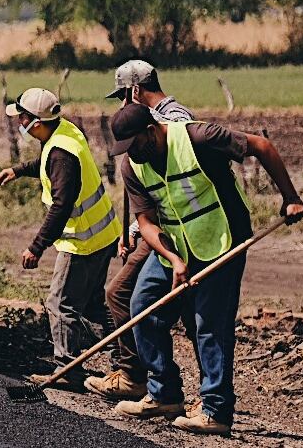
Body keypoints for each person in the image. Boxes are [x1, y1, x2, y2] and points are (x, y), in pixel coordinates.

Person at [108, 90, 303, 435]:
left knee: (209, 322)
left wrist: (290, 197)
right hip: (174, 246)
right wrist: (172, 258)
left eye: (135, 144)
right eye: (126, 149)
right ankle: (164, 393)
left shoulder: (197, 137)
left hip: (221, 238)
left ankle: (216, 409)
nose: (132, 154)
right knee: (142, 306)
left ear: (152, 129)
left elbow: (262, 146)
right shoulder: (133, 165)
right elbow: (146, 222)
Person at [0, 87, 120, 388]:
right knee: (91, 304)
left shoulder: (61, 153)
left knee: (59, 303)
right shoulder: (64, 132)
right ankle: (125, 362)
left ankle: (67, 370)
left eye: (22, 118)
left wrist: (36, 247)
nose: (19, 124)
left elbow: (61, 205)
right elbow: (48, 165)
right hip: (103, 235)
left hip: (83, 241)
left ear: (36, 122)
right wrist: (19, 170)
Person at [87, 59, 197, 401]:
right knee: (132, 298)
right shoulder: (149, 123)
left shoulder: (172, 121)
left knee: (131, 298)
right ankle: (144, 377)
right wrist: (136, 227)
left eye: (123, 95)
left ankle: (141, 377)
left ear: (135, 90)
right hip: (156, 229)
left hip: (177, 232)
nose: (121, 105)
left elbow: (171, 186)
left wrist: (140, 227)